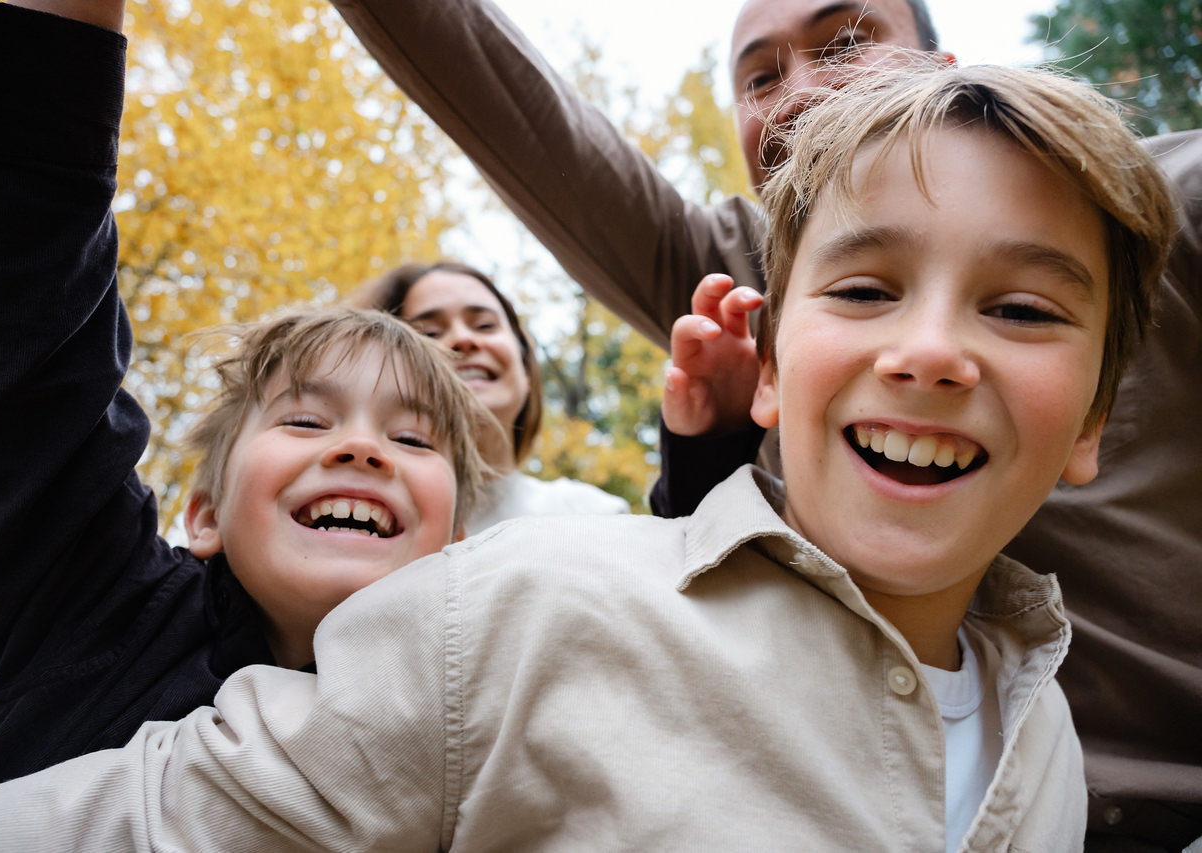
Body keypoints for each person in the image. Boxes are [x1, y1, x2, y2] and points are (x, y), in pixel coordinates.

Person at [0, 55, 1178, 852]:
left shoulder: (1045, 743)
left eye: (1020, 308)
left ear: (1088, 428)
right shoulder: (505, 615)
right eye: (862, 291)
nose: (931, 349)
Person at [328, 0, 1202, 846]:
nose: (797, 93)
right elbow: (515, 111)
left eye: (845, 40)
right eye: (759, 76)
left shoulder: (1130, 212)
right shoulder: (739, 277)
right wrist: (710, 462)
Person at [0, 0, 495, 798]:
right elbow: (37, 335)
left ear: (460, 550)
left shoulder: (471, 722)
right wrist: (54, 38)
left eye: (412, 440)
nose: (362, 447)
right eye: (305, 419)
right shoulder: (98, 605)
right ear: (203, 514)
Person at [356, 261, 629, 534]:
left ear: (526, 370)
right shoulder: (363, 524)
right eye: (429, 334)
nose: (462, 339)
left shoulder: (595, 518)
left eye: (485, 325)